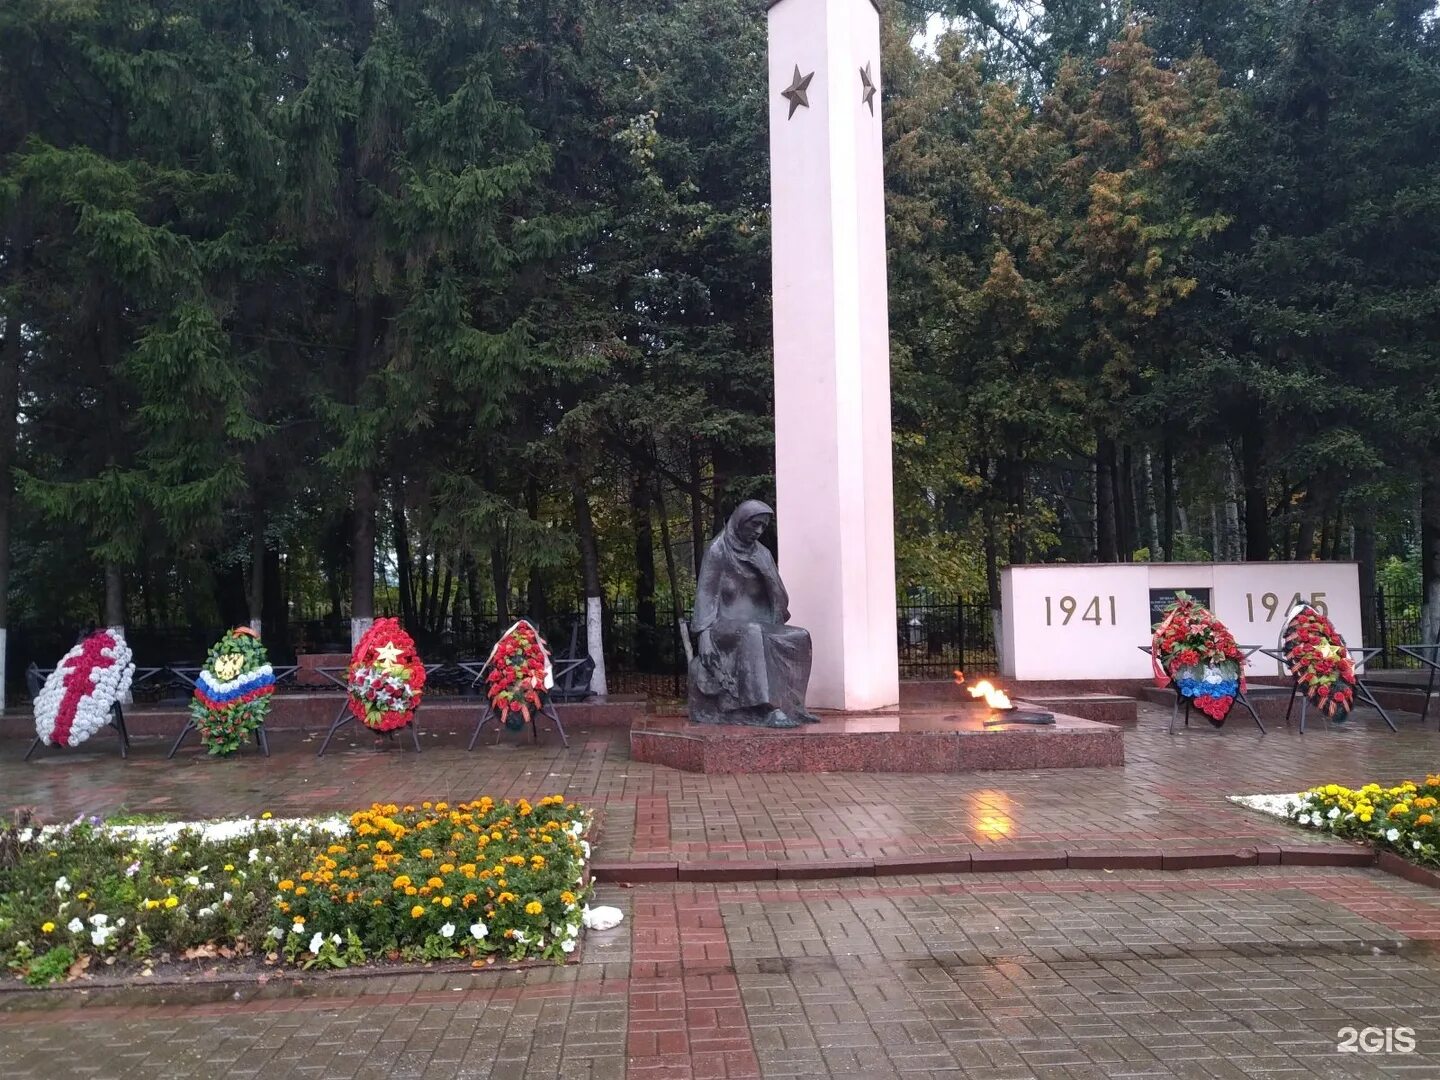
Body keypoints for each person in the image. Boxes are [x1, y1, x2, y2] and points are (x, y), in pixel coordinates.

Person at [689, 500, 816, 727]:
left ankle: (793, 707)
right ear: (741, 520)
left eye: (763, 526)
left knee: (800, 636)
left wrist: (767, 572)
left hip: (760, 623)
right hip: (722, 626)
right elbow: (705, 596)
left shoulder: (762, 554)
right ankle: (767, 708)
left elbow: (781, 600)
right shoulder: (718, 550)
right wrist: (704, 635)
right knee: (752, 631)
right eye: (754, 524)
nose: (758, 531)